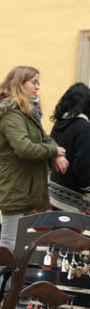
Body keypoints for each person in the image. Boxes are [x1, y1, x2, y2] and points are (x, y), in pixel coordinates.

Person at [0, 66, 68, 250]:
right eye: (34, 82)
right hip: (15, 186)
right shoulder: (11, 114)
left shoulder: (26, 113)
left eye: (38, 82)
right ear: (19, 84)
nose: (37, 87)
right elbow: (24, 148)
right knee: (9, 244)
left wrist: (55, 152)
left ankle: (15, 271)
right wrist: (54, 151)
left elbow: (44, 137)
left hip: (27, 186)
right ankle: (0, 271)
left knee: (21, 244)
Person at [49, 83, 90, 214]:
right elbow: (83, 164)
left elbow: (50, 155)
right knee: (71, 228)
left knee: (57, 227)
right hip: (73, 198)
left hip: (54, 192)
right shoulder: (84, 127)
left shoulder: (58, 124)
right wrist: (87, 189)